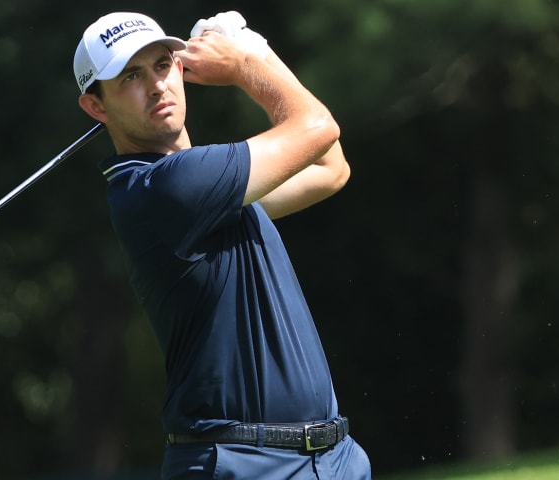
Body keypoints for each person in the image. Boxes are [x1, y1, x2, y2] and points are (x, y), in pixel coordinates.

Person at [73, 10, 371, 479]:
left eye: (162, 64)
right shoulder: (164, 190)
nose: (156, 85)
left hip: (332, 458)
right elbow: (318, 128)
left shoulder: (208, 188)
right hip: (243, 463)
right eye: (131, 75)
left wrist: (256, 52)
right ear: (96, 106)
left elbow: (329, 169)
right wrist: (247, 62)